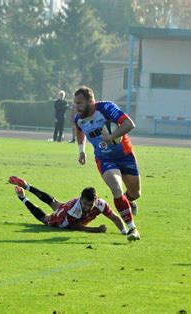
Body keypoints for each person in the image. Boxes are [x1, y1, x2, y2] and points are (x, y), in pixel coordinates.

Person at [73, 85, 141, 241]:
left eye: (80, 103)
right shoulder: (79, 119)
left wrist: (111, 137)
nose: (77, 107)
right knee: (116, 187)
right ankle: (132, 229)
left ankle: (128, 201)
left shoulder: (106, 108)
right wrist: (81, 151)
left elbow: (129, 124)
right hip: (104, 159)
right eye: (75, 103)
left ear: (91, 101)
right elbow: (79, 130)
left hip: (125, 155)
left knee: (135, 193)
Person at [8, 176, 127, 234]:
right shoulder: (74, 211)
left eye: (90, 205)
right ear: (81, 199)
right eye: (85, 204)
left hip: (67, 205)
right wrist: (97, 230)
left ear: (95, 201)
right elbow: (76, 227)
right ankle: (23, 198)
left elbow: (115, 218)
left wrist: (124, 232)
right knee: (46, 219)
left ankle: (27, 186)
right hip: (63, 218)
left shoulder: (101, 204)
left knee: (54, 203)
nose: (86, 207)